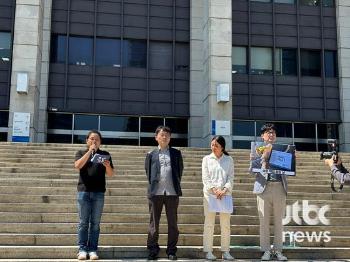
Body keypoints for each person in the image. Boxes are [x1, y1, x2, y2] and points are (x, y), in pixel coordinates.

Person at [74, 130, 114, 260]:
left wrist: (107, 165)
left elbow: (110, 174)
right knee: (83, 223)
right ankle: (82, 249)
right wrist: (89, 152)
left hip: (98, 193)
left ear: (100, 142)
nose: (94, 141)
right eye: (91, 139)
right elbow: (78, 165)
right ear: (87, 141)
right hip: (83, 192)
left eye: (97, 139)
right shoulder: (81, 153)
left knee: (95, 223)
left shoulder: (105, 154)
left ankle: (92, 249)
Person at [249, 123, 288, 261]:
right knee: (264, 221)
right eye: (268, 132)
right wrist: (263, 157)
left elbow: (289, 169)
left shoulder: (284, 150)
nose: (271, 134)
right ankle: (266, 250)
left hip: (279, 187)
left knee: (279, 221)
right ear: (262, 136)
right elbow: (251, 169)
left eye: (273, 132)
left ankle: (278, 251)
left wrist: (292, 160)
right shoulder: (256, 149)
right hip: (263, 187)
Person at [145, 126, 184, 260]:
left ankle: (171, 251)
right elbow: (148, 173)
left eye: (167, 135)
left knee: (173, 223)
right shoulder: (151, 154)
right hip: (155, 193)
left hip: (172, 193)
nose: (164, 137)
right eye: (162, 135)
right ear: (156, 137)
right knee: (154, 224)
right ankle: (153, 250)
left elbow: (179, 171)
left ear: (170, 138)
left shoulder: (176, 153)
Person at [202, 136, 234, 261]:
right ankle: (208, 251)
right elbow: (206, 178)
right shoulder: (206, 159)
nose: (213, 147)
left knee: (225, 224)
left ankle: (225, 251)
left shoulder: (229, 159)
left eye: (216, 145)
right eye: (212, 145)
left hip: (225, 195)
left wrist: (224, 190)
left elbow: (231, 177)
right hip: (210, 195)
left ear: (222, 147)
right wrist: (215, 190)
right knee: (209, 224)